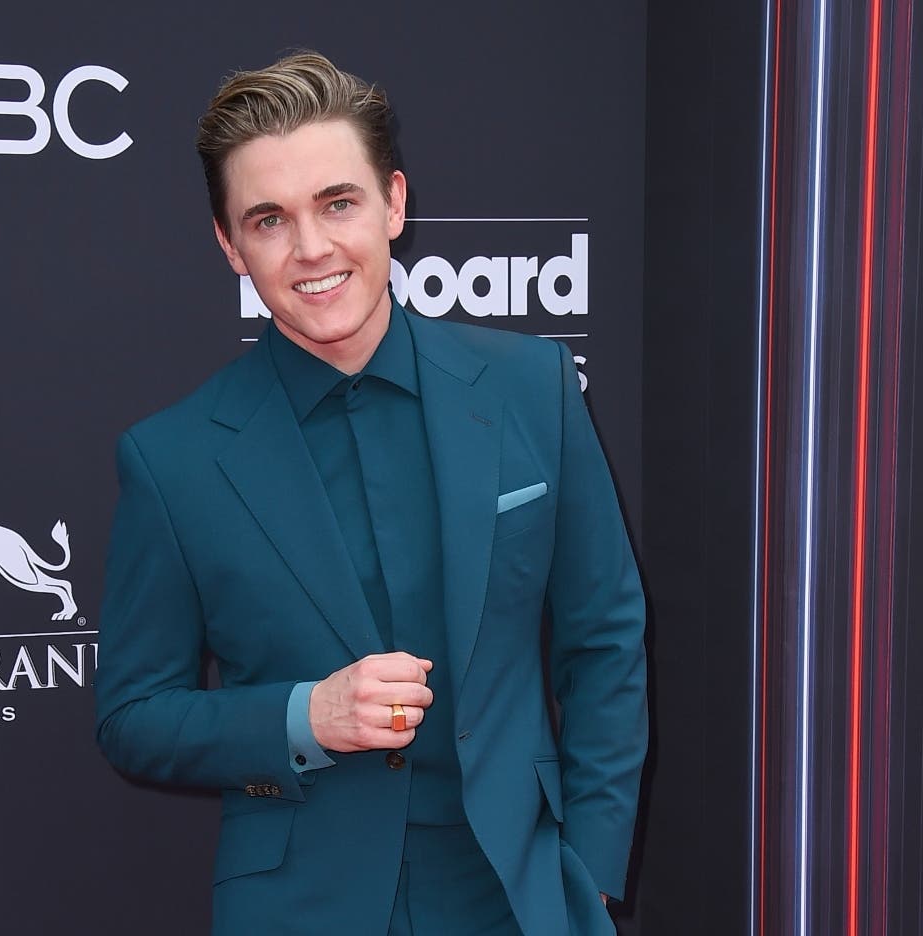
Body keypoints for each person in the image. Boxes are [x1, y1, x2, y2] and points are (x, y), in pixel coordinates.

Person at [96, 50, 647, 936]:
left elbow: (605, 636)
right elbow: (133, 716)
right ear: (230, 245)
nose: (311, 249)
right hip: (299, 900)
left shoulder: (529, 387)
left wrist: (590, 871)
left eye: (338, 203)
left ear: (394, 202)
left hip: (518, 888)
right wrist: (303, 715)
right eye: (269, 219)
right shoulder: (174, 459)